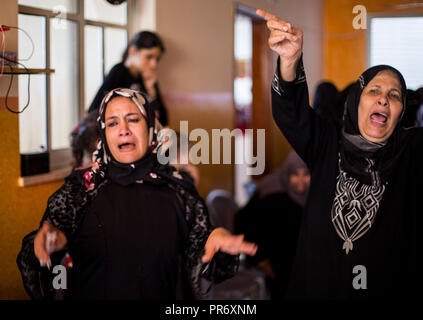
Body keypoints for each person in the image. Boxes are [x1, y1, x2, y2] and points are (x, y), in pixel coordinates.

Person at [17, 88, 257, 300]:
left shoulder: (178, 189)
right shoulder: (81, 189)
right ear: (104, 133)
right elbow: (42, 256)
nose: (123, 130)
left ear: (150, 127)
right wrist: (52, 244)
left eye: (133, 120)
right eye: (112, 123)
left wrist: (214, 241)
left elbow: (199, 254)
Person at [257, 9, 420, 299]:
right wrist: (290, 60)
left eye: (395, 95)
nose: (384, 98)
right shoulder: (328, 142)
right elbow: (291, 115)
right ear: (357, 101)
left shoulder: (410, 151)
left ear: (400, 112)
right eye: (374, 91)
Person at [235, 150, 310, 299]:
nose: (301, 180)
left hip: (302, 266)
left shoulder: (315, 195)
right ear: (287, 173)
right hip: (276, 267)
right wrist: (260, 259)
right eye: (295, 174)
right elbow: (242, 220)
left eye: (306, 174)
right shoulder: (271, 193)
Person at [88, 31, 168, 126]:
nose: (154, 64)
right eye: (149, 57)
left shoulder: (149, 77)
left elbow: (163, 121)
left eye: (157, 59)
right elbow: (93, 112)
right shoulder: (119, 71)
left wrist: (152, 92)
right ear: (133, 51)